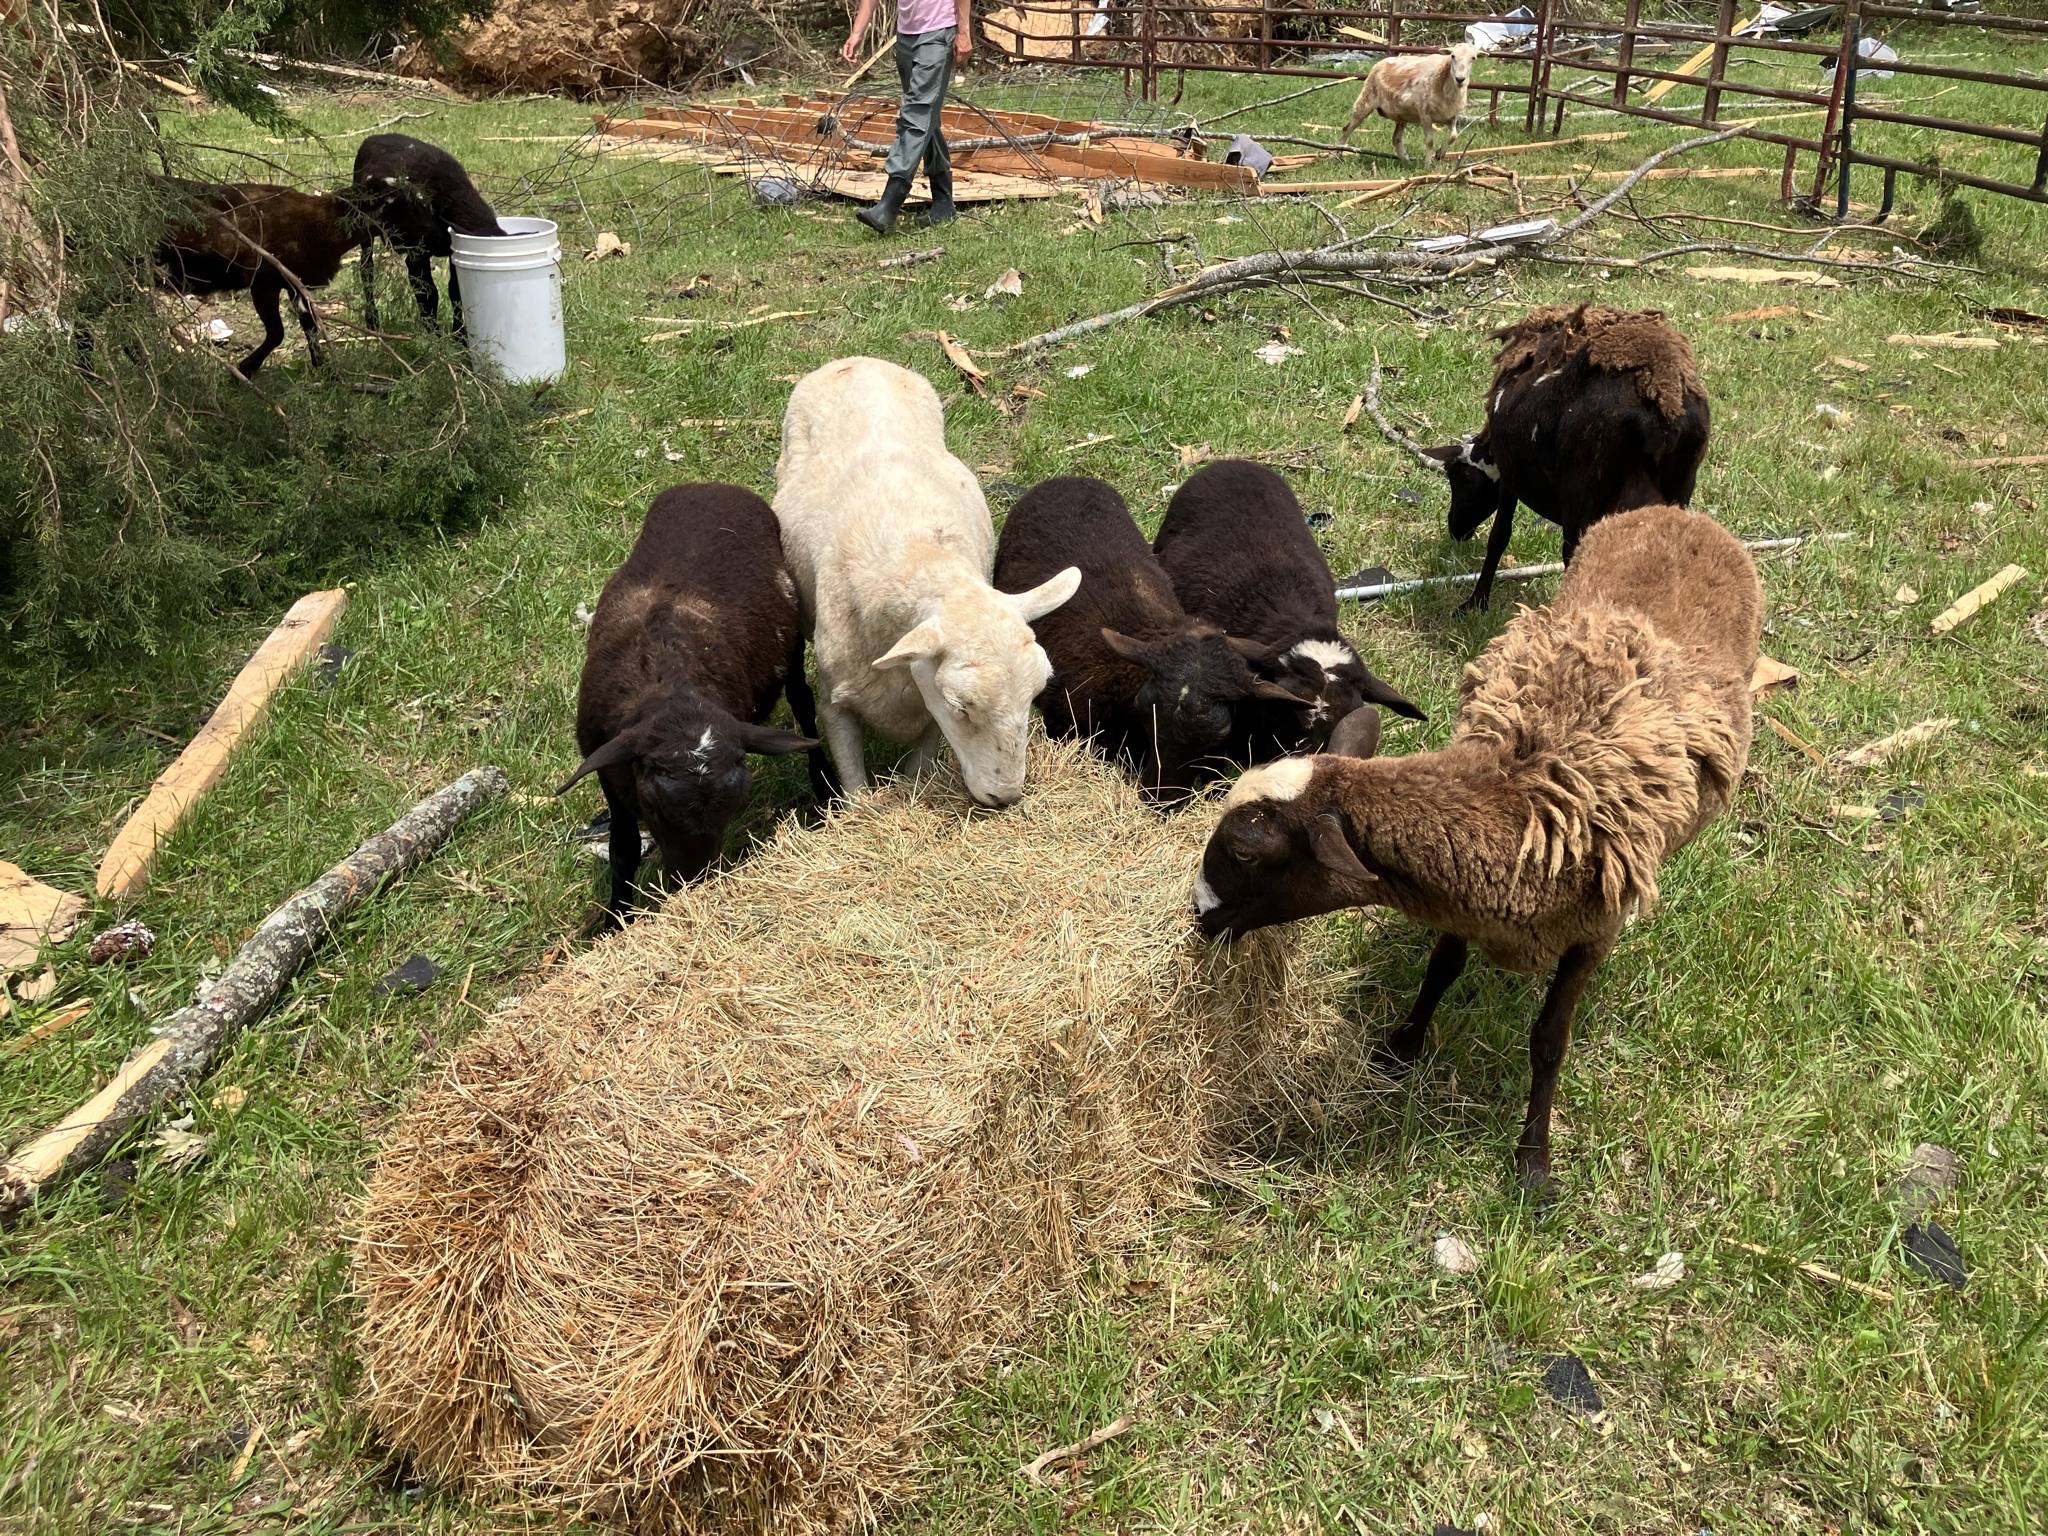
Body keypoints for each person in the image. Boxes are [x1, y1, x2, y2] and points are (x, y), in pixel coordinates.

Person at [841, 0, 972, 235]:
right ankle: (943, 201)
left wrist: (963, 32)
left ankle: (890, 202)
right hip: (906, 36)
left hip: (938, 32)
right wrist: (857, 32)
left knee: (916, 113)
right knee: (926, 117)